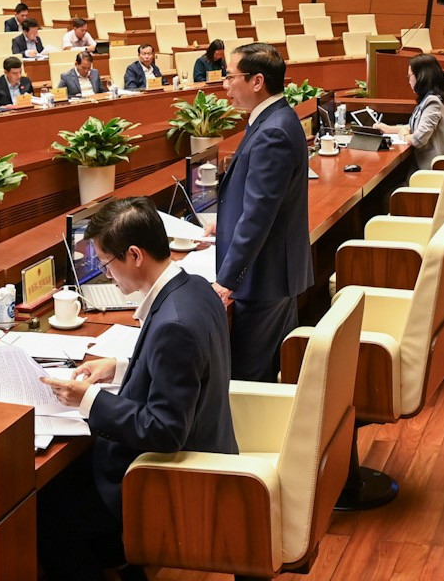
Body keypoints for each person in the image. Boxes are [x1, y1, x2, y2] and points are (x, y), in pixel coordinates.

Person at [40, 197, 236, 581]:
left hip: (170, 481)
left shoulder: (173, 324)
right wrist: (118, 366)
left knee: (48, 516)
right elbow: (184, 369)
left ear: (134, 255)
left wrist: (87, 399)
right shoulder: (195, 288)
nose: (107, 275)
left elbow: (164, 429)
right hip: (203, 448)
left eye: (106, 264)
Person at [212, 42, 311, 381]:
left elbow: (258, 216)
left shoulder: (272, 132)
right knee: (268, 371)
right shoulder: (275, 118)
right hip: (274, 273)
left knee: (249, 378)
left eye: (230, 77)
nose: (225, 85)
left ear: (257, 81)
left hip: (263, 279)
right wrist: (224, 225)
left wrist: (225, 281)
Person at [390, 52, 444, 172]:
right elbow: (415, 126)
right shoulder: (433, 98)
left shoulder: (433, 102)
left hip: (433, 170)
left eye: (409, 76)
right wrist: (386, 129)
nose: (409, 81)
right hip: (430, 167)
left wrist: (404, 135)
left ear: (421, 76)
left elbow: (418, 140)